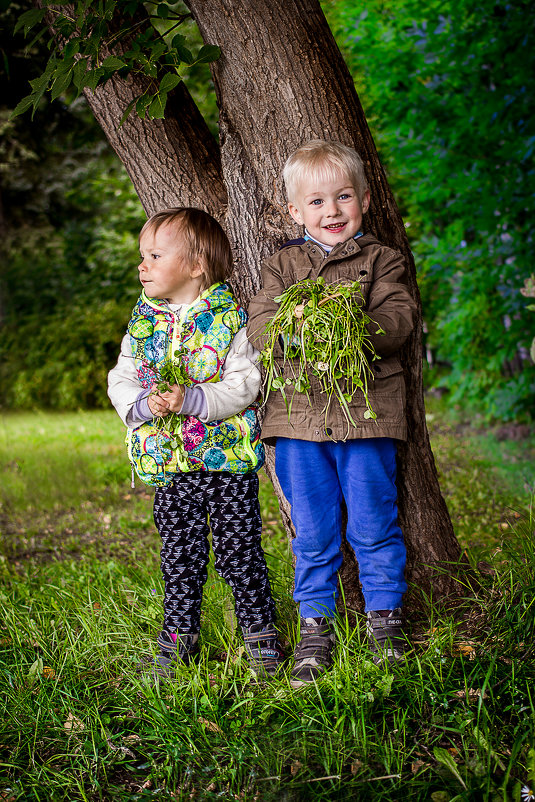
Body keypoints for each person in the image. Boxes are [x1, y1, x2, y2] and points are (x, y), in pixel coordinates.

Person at [247, 140, 417, 687]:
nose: (333, 211)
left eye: (344, 197)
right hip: (297, 423)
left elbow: (399, 316)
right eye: (317, 202)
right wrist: (297, 333)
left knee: (374, 523)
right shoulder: (281, 267)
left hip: (366, 420)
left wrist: (353, 330)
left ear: (364, 200)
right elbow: (260, 327)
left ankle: (385, 620)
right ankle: (315, 627)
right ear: (294, 212)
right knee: (314, 533)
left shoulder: (382, 259)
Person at [108, 207, 283, 678]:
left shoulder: (231, 320)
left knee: (238, 550)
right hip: (170, 462)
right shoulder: (143, 323)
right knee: (178, 554)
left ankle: (259, 632)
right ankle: (179, 637)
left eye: (154, 255)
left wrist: (193, 398)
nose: (142, 265)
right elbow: (121, 377)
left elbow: (246, 383)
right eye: (142, 256)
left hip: (224, 460)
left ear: (196, 265)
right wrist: (143, 405)